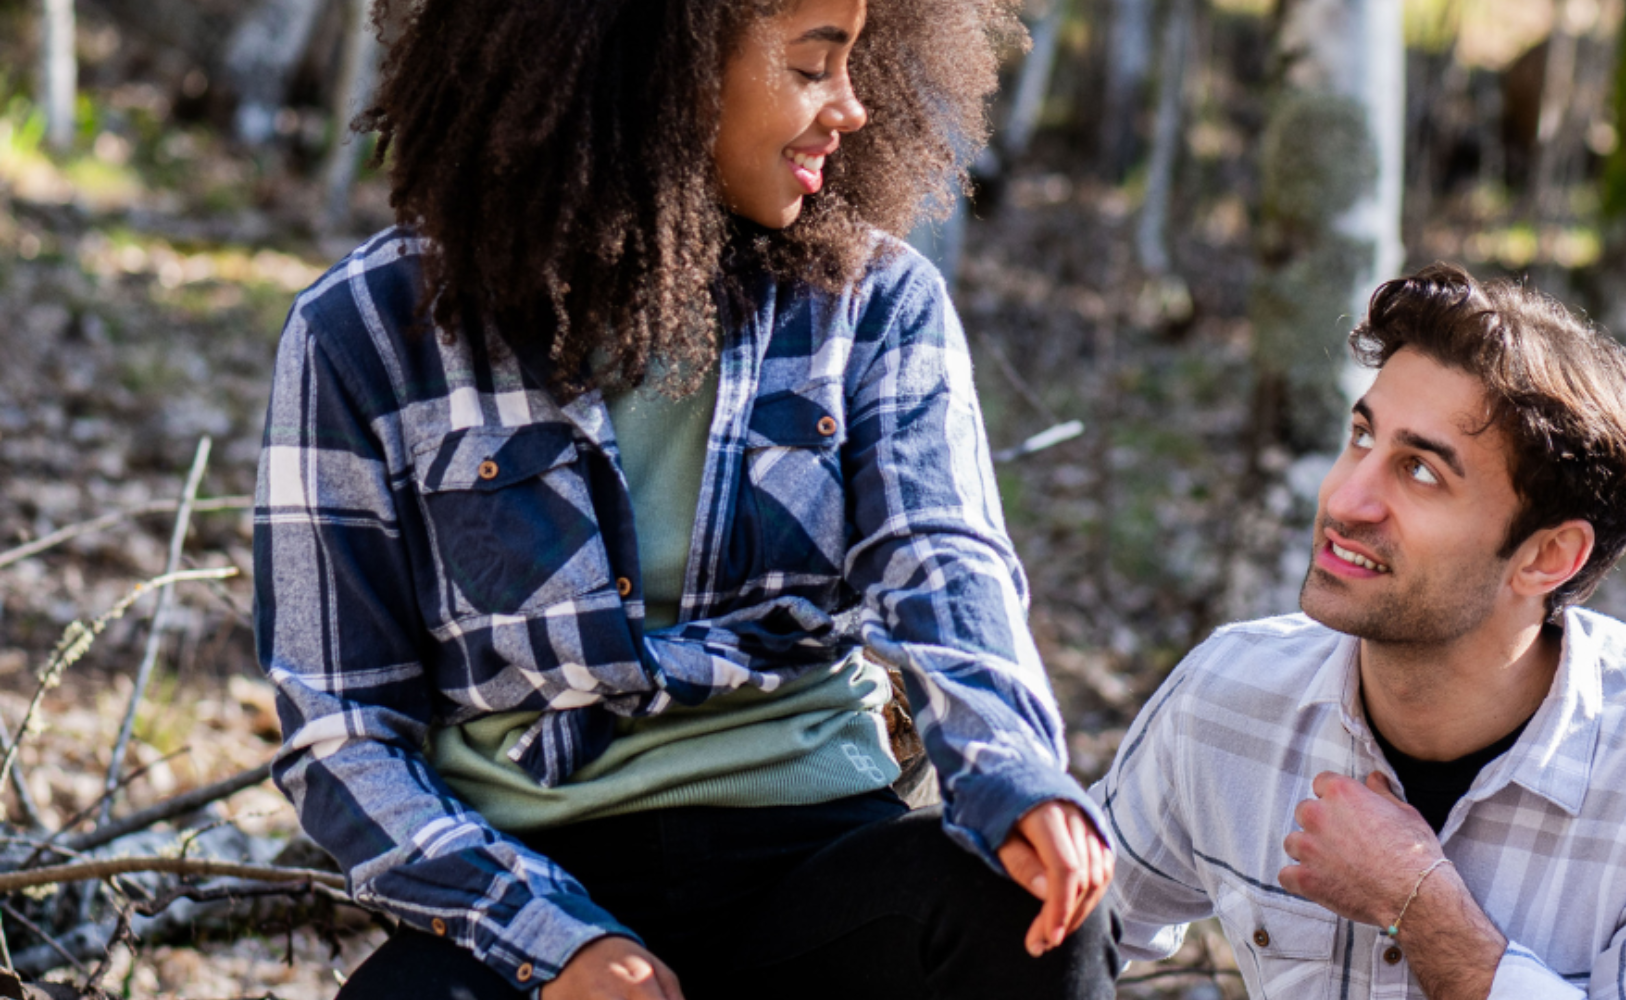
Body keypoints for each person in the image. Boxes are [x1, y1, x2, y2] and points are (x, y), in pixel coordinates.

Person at [252, 0, 1116, 997]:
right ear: (661, 67)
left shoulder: (874, 303)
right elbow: (342, 731)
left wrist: (1011, 775)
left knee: (1026, 915)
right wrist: (552, 941)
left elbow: (945, 564)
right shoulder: (359, 333)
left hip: (816, 858)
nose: (853, 107)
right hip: (529, 869)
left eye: (856, 62)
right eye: (810, 64)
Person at [1091, 263, 1626, 999]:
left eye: (1421, 472)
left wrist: (1423, 907)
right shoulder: (1228, 696)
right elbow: (1051, 931)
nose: (1348, 498)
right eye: (1362, 436)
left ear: (1547, 557)